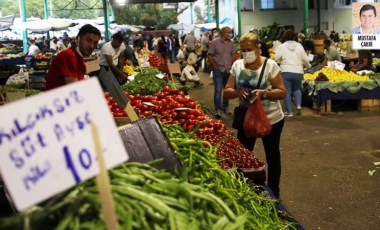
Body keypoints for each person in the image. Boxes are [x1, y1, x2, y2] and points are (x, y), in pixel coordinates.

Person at [223, 31, 286, 198]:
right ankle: (244, 188)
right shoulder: (237, 65)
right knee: (243, 155)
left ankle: (274, 192)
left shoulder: (270, 66)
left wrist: (263, 93)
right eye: (243, 50)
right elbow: (226, 91)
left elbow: (281, 92)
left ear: (258, 48)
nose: (246, 53)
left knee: (272, 155)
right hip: (247, 120)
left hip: (272, 119)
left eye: (249, 49)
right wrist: (237, 92)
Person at [45, 24, 101, 90]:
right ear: (78, 39)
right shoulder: (69, 56)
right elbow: (74, 91)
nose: (91, 46)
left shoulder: (78, 57)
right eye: (88, 40)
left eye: (95, 43)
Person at [275, 30, 311, 117]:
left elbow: (276, 58)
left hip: (286, 71)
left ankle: (289, 112)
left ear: (285, 37)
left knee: (287, 91)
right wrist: (308, 66)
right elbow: (305, 59)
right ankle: (298, 106)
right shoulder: (299, 46)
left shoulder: (281, 46)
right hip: (298, 71)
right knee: (297, 89)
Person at [208, 26, 236, 118]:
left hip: (228, 70)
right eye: (228, 32)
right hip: (218, 70)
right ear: (222, 33)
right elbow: (210, 55)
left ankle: (226, 107)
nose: (229, 34)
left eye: (230, 32)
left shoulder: (231, 43)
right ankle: (218, 110)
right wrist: (214, 65)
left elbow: (233, 54)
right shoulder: (214, 42)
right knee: (218, 90)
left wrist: (233, 65)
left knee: (227, 90)